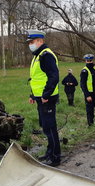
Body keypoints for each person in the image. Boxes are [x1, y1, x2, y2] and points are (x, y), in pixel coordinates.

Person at [26, 30, 61, 167]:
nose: (30, 45)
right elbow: (36, 79)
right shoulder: (38, 55)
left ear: (40, 41)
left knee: (50, 128)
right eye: (29, 42)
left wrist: (46, 95)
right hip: (41, 98)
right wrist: (33, 95)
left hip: (47, 98)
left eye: (32, 42)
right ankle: (49, 152)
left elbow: (54, 76)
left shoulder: (46, 56)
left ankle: (55, 157)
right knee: (46, 127)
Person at [80, 54, 95, 126]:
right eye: (88, 60)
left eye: (90, 60)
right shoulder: (84, 71)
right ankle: (91, 125)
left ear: (92, 60)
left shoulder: (94, 69)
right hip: (89, 94)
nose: (89, 62)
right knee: (90, 110)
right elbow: (83, 85)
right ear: (85, 61)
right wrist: (87, 95)